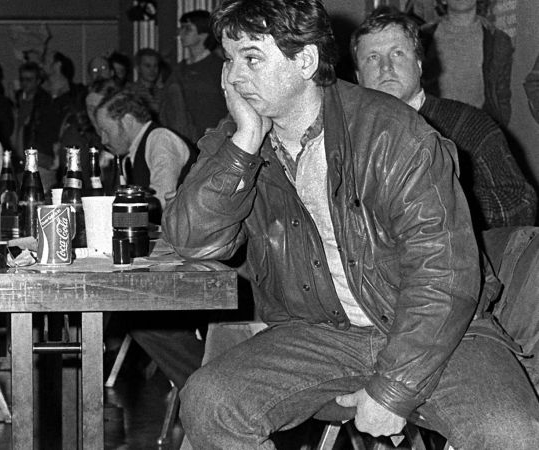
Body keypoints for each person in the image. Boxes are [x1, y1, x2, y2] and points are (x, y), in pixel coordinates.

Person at [167, 1, 539, 448]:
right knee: (210, 403)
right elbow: (192, 241)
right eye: (229, 59)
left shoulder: (393, 133)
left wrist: (391, 390)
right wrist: (244, 143)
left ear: (304, 61)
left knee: (511, 432)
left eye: (251, 58)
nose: (233, 77)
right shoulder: (235, 140)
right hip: (318, 332)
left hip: (432, 329)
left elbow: (444, 275)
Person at [351, 8, 536, 230]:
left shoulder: (469, 125)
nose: (386, 67)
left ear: (419, 64)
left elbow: (523, 204)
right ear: (358, 77)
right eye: (372, 58)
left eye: (397, 53)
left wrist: (448, 197)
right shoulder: (346, 137)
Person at [94, 89, 194, 216]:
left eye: (106, 131)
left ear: (128, 121)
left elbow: (161, 200)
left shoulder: (160, 139)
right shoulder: (129, 157)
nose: (103, 140)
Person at [421, 0, 512, 125]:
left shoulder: (497, 40)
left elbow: (502, 96)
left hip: (479, 129)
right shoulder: (423, 38)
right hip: (433, 129)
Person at [175, 9, 229, 143]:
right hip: (184, 140)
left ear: (203, 33)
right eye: (181, 28)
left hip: (213, 141)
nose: (181, 34)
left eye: (187, 29)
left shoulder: (218, 67)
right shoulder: (179, 68)